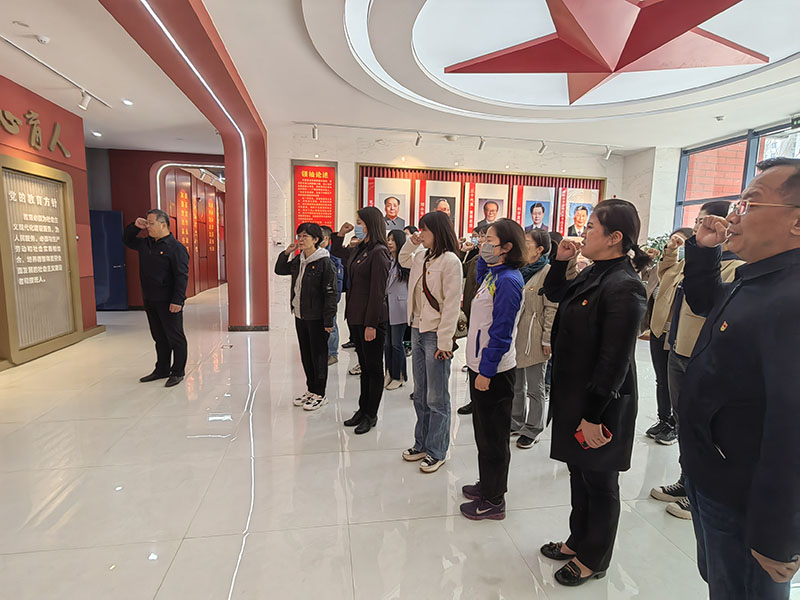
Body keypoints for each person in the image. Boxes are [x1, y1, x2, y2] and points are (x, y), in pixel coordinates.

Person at [678, 157, 800, 600]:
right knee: (721, 582)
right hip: (713, 471)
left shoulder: (792, 300)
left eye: (750, 204)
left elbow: (793, 428)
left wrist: (777, 534)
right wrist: (705, 250)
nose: (733, 215)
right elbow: (704, 302)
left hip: (745, 495)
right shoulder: (759, 279)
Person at [539, 199, 649, 587]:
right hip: (576, 394)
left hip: (602, 402)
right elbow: (556, 293)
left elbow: (614, 359)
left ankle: (594, 557)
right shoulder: (595, 272)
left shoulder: (624, 286)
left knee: (600, 482)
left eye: (591, 228)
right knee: (579, 472)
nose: (583, 232)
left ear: (615, 237)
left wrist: (593, 415)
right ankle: (577, 540)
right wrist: (560, 260)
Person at [650, 202, 744, 521]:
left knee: (705, 428)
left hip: (700, 354)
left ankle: (700, 490)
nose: (701, 226)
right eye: (699, 220)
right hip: (678, 347)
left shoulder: (738, 267)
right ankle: (687, 480)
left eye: (708, 220)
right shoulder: (697, 258)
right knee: (685, 422)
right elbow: (671, 280)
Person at [459, 219, 525, 520]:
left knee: (494, 438)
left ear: (507, 247)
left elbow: (501, 331)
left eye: (490, 241)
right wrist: (486, 260)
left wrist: (486, 371)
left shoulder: (509, 281)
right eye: (483, 239)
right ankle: (487, 485)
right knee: (483, 434)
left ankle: (494, 500)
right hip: (481, 364)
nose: (484, 244)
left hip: (495, 370)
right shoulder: (495, 273)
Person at [399, 212, 463, 473]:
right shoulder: (421, 256)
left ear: (437, 231)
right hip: (416, 328)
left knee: (437, 397)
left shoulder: (451, 261)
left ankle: (437, 450)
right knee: (421, 392)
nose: (421, 234)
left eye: (424, 230)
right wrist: (411, 242)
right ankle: (422, 443)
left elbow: (451, 305)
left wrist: (445, 342)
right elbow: (403, 259)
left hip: (436, 333)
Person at [331, 207, 391, 434]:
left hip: (371, 320)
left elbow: (378, 292)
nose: (357, 225)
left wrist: (371, 324)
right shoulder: (361, 249)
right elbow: (339, 253)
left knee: (374, 368)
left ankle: (371, 414)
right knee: (364, 367)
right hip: (356, 317)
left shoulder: (379, 252)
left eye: (360, 222)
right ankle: (362, 409)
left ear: (370, 224)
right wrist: (340, 234)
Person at [123, 209, 190, 388]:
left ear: (163, 224)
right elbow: (127, 240)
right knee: (159, 336)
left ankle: (177, 371)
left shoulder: (176, 248)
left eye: (151, 223)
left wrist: (178, 300)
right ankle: (162, 369)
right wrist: (134, 226)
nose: (148, 227)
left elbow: (181, 276)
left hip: (169, 301)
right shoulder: (146, 244)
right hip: (150, 298)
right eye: (147, 223)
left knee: (175, 337)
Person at [274, 223, 338, 411]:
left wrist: (328, 320)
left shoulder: (324, 262)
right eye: (299, 236)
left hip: (317, 317)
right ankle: (311, 390)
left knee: (319, 356)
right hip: (300, 314)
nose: (301, 240)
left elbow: (331, 293)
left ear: (316, 239)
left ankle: (320, 394)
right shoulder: (299, 259)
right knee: (306, 354)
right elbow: (280, 270)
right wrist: (286, 252)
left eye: (305, 236)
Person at [511, 229, 560, 449]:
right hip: (516, 333)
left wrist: (547, 339)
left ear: (540, 249)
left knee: (535, 386)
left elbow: (551, 309)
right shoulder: (520, 269)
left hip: (535, 334)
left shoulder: (548, 272)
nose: (523, 244)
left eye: (527, 242)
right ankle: (516, 421)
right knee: (516, 383)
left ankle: (533, 428)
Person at [645, 227, 694, 442]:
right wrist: (672, 248)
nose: (678, 245)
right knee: (661, 379)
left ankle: (675, 424)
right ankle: (663, 419)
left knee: (676, 383)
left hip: (679, 335)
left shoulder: (699, 269)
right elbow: (663, 268)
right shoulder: (674, 267)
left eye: (682, 242)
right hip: (659, 330)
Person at [456, 223, 489, 415]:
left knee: (484, 361)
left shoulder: (498, 267)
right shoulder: (476, 258)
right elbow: (459, 270)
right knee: (472, 360)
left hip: (485, 320)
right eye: (480, 236)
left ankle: (481, 399)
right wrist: (462, 251)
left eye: (485, 237)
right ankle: (473, 398)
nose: (480, 240)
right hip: (471, 315)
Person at [384, 228, 410, 390]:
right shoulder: (388, 260)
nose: (389, 243)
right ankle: (389, 371)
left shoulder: (406, 262)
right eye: (388, 239)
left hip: (400, 307)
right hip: (387, 306)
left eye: (393, 240)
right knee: (387, 344)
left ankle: (399, 375)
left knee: (396, 343)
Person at [321, 226, 345, 366]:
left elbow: (338, 280)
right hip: (318, 298)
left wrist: (334, 299)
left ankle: (333, 353)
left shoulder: (334, 256)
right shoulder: (316, 253)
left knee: (332, 324)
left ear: (325, 238)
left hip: (329, 298)